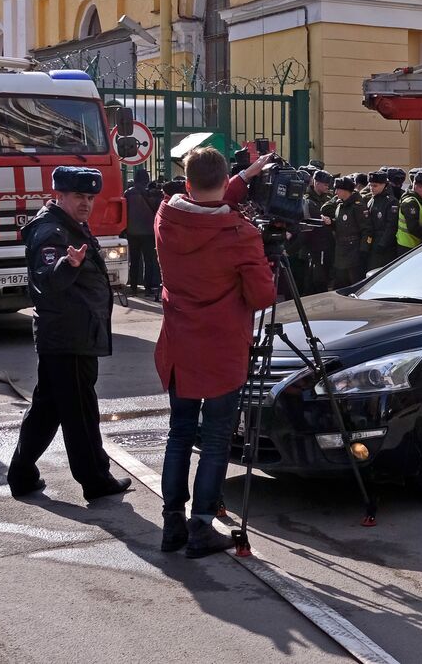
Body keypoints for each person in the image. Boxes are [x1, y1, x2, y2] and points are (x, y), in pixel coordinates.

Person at [154, 147, 277, 558]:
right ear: (224, 183)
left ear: (186, 182)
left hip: (179, 348)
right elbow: (262, 296)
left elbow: (206, 206)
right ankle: (202, 525)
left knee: (179, 433)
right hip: (223, 350)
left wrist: (246, 175)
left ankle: (172, 522)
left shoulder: (165, 219)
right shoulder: (239, 234)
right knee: (217, 438)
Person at [7, 166, 131, 503]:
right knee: (80, 412)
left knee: (49, 408)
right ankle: (94, 478)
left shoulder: (68, 226)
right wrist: (68, 265)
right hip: (69, 335)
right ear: (59, 195)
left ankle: (21, 472)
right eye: (79, 196)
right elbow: (47, 282)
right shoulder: (51, 231)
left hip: (71, 333)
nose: (86, 203)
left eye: (90, 198)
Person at [123, 167, 162, 298]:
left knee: (134, 260)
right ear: (147, 179)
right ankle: (148, 288)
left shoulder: (128, 193)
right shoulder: (152, 193)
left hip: (132, 231)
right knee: (148, 261)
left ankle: (133, 287)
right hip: (149, 232)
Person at [321, 175, 366, 288]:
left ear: (346, 190)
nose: (336, 192)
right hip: (341, 249)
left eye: (338, 189)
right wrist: (330, 222)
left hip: (353, 251)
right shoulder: (340, 205)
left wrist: (363, 249)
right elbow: (340, 224)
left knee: (354, 282)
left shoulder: (358, 207)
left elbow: (366, 229)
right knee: (340, 282)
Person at [302, 169, 334, 294]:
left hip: (328, 242)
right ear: (316, 183)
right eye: (325, 184)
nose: (327, 187)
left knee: (325, 273)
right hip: (312, 243)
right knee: (314, 276)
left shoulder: (329, 198)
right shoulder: (306, 199)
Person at [362, 170, 400, 270]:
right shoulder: (371, 199)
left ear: (384, 185)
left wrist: (382, 244)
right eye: (370, 185)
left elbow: (391, 226)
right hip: (373, 242)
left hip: (384, 246)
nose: (371, 188)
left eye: (375, 186)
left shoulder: (391, 201)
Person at [397, 168, 422, 252]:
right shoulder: (410, 202)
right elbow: (413, 227)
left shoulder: (420, 200)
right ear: (416, 186)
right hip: (407, 246)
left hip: (414, 245)